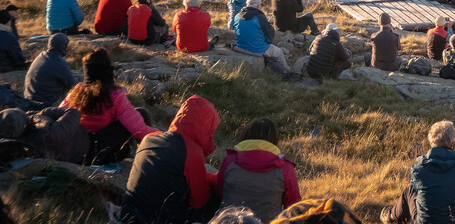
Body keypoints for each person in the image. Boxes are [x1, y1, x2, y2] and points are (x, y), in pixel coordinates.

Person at [119, 95, 220, 224]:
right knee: (214, 194)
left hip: (128, 214)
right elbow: (199, 201)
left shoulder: (150, 137)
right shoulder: (192, 151)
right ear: (206, 127)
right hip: (160, 220)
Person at [61, 49, 159, 164]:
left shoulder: (76, 93)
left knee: (131, 117)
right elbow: (139, 129)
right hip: (102, 155)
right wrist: (164, 136)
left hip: (77, 150)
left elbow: (59, 114)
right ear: (108, 70)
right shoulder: (115, 95)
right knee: (140, 114)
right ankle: (151, 157)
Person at [380, 121, 455, 224]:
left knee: (410, 189)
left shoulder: (418, 168)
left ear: (431, 142)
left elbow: (418, 187)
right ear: (452, 143)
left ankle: (391, 216)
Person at [217, 118, 301, 223]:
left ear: (245, 136)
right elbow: (294, 206)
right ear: (274, 139)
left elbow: (219, 192)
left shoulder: (229, 161)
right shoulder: (285, 168)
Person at [233, 0, 291, 78]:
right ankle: (287, 72)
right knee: (279, 52)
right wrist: (268, 41)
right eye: (261, 5)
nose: (261, 7)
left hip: (240, 46)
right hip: (257, 49)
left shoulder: (237, 16)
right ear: (257, 6)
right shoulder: (259, 16)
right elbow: (269, 33)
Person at [24, 32, 76, 107]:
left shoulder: (42, 56)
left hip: (29, 99)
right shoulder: (58, 62)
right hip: (46, 104)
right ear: (63, 46)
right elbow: (73, 84)